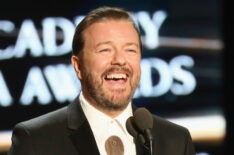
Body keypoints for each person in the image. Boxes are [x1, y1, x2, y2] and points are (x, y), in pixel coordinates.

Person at [8, 6, 195, 155]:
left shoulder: (176, 140)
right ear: (78, 66)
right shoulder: (35, 139)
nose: (120, 60)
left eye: (130, 50)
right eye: (105, 50)